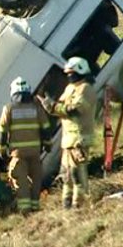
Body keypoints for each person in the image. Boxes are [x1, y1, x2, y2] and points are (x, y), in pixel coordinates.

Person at [38, 57, 97, 209]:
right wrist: (50, 105)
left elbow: (75, 110)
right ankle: (67, 204)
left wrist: (53, 108)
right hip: (68, 140)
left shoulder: (86, 89)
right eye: (68, 73)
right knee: (66, 175)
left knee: (78, 174)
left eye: (72, 73)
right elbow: (61, 106)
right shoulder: (70, 88)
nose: (69, 76)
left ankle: (79, 205)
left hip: (80, 139)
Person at [0, 77, 51, 215]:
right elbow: (45, 127)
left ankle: (25, 211)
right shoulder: (36, 108)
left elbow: (2, 131)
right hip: (35, 152)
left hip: (18, 154)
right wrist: (47, 144)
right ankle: (35, 207)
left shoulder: (9, 108)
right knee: (36, 179)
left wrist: (1, 150)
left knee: (21, 183)